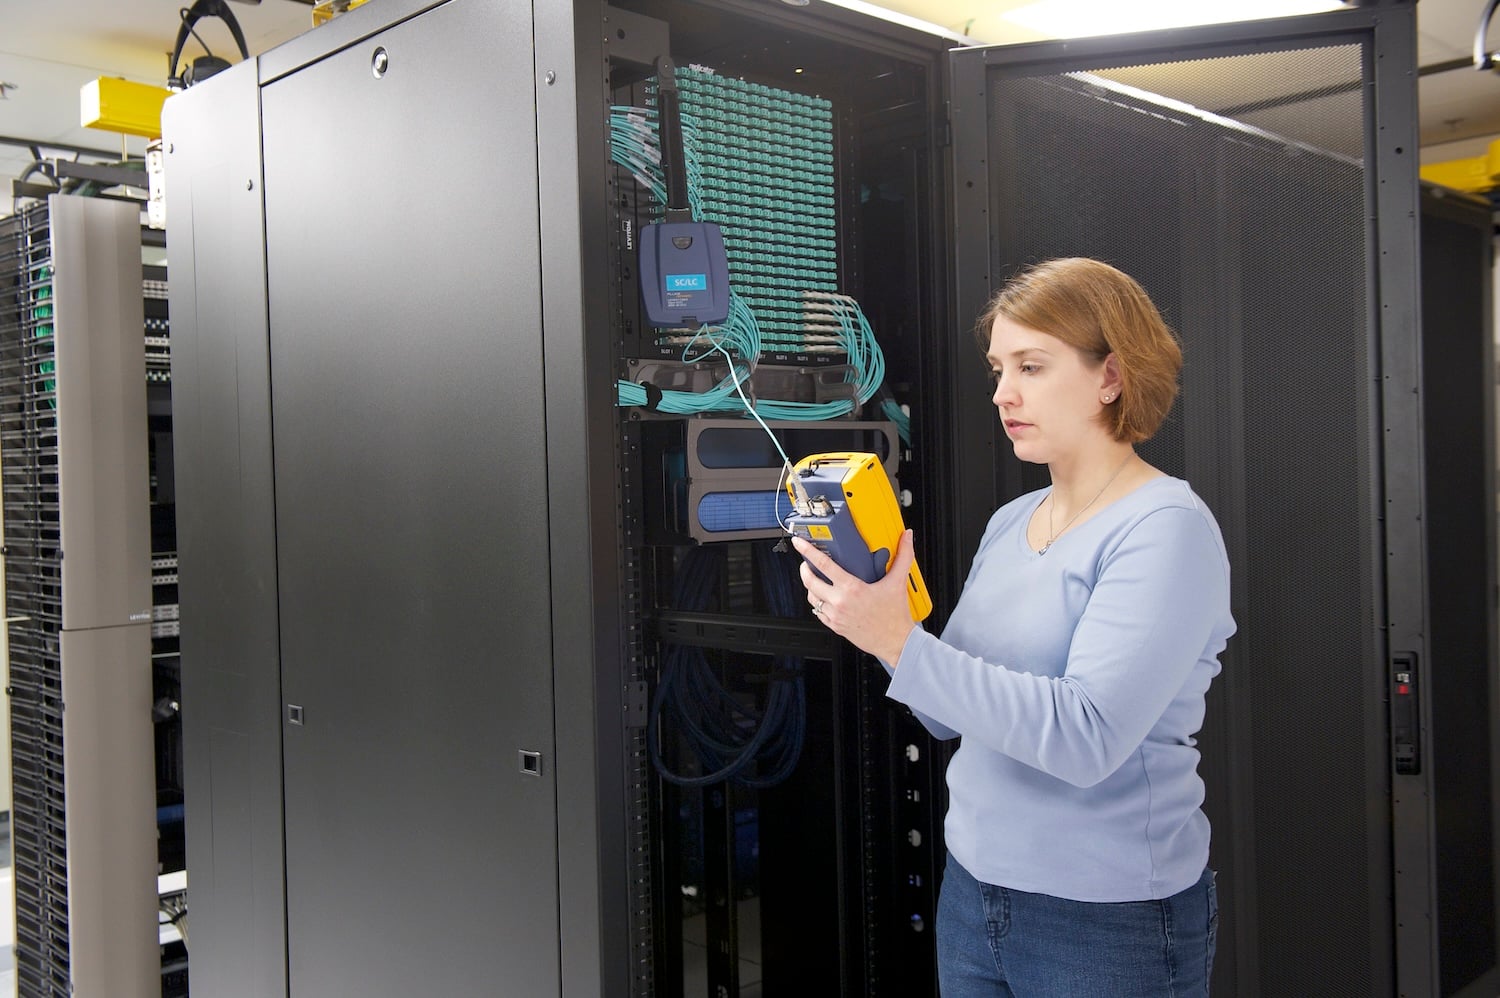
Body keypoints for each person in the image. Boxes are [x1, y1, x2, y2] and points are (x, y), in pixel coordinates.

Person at [792, 257, 1235, 997]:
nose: (1004, 394)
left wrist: (901, 642)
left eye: (1031, 366)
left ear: (1111, 377)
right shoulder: (1012, 522)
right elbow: (941, 714)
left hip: (1107, 919)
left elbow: (1086, 736)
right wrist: (880, 621)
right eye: (999, 368)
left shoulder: (1166, 529)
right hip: (974, 894)